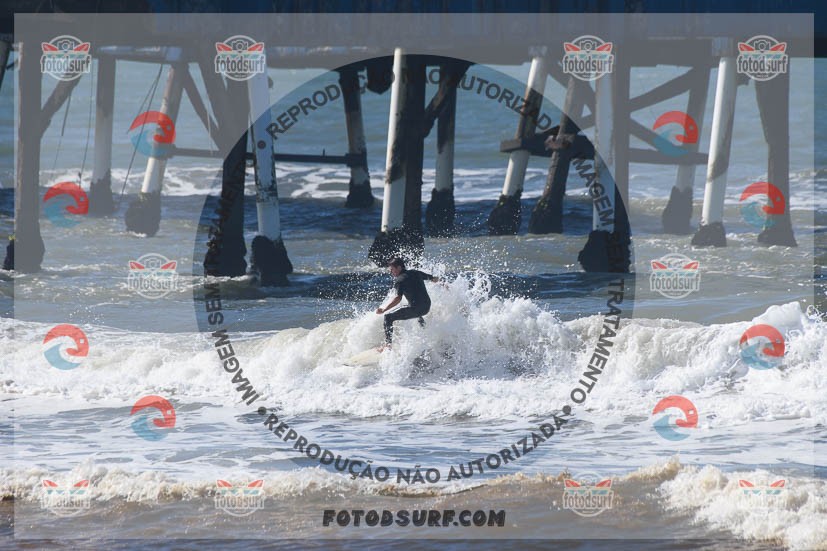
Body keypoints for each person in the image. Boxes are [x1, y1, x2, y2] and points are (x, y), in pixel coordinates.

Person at [375, 258, 439, 349]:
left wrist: (384, 309)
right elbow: (434, 279)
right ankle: (426, 332)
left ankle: (388, 345)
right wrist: (444, 284)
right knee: (415, 311)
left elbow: (398, 298)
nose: (391, 272)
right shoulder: (415, 272)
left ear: (399, 268)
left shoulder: (399, 280)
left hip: (416, 309)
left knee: (388, 317)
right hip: (426, 307)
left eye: (392, 269)